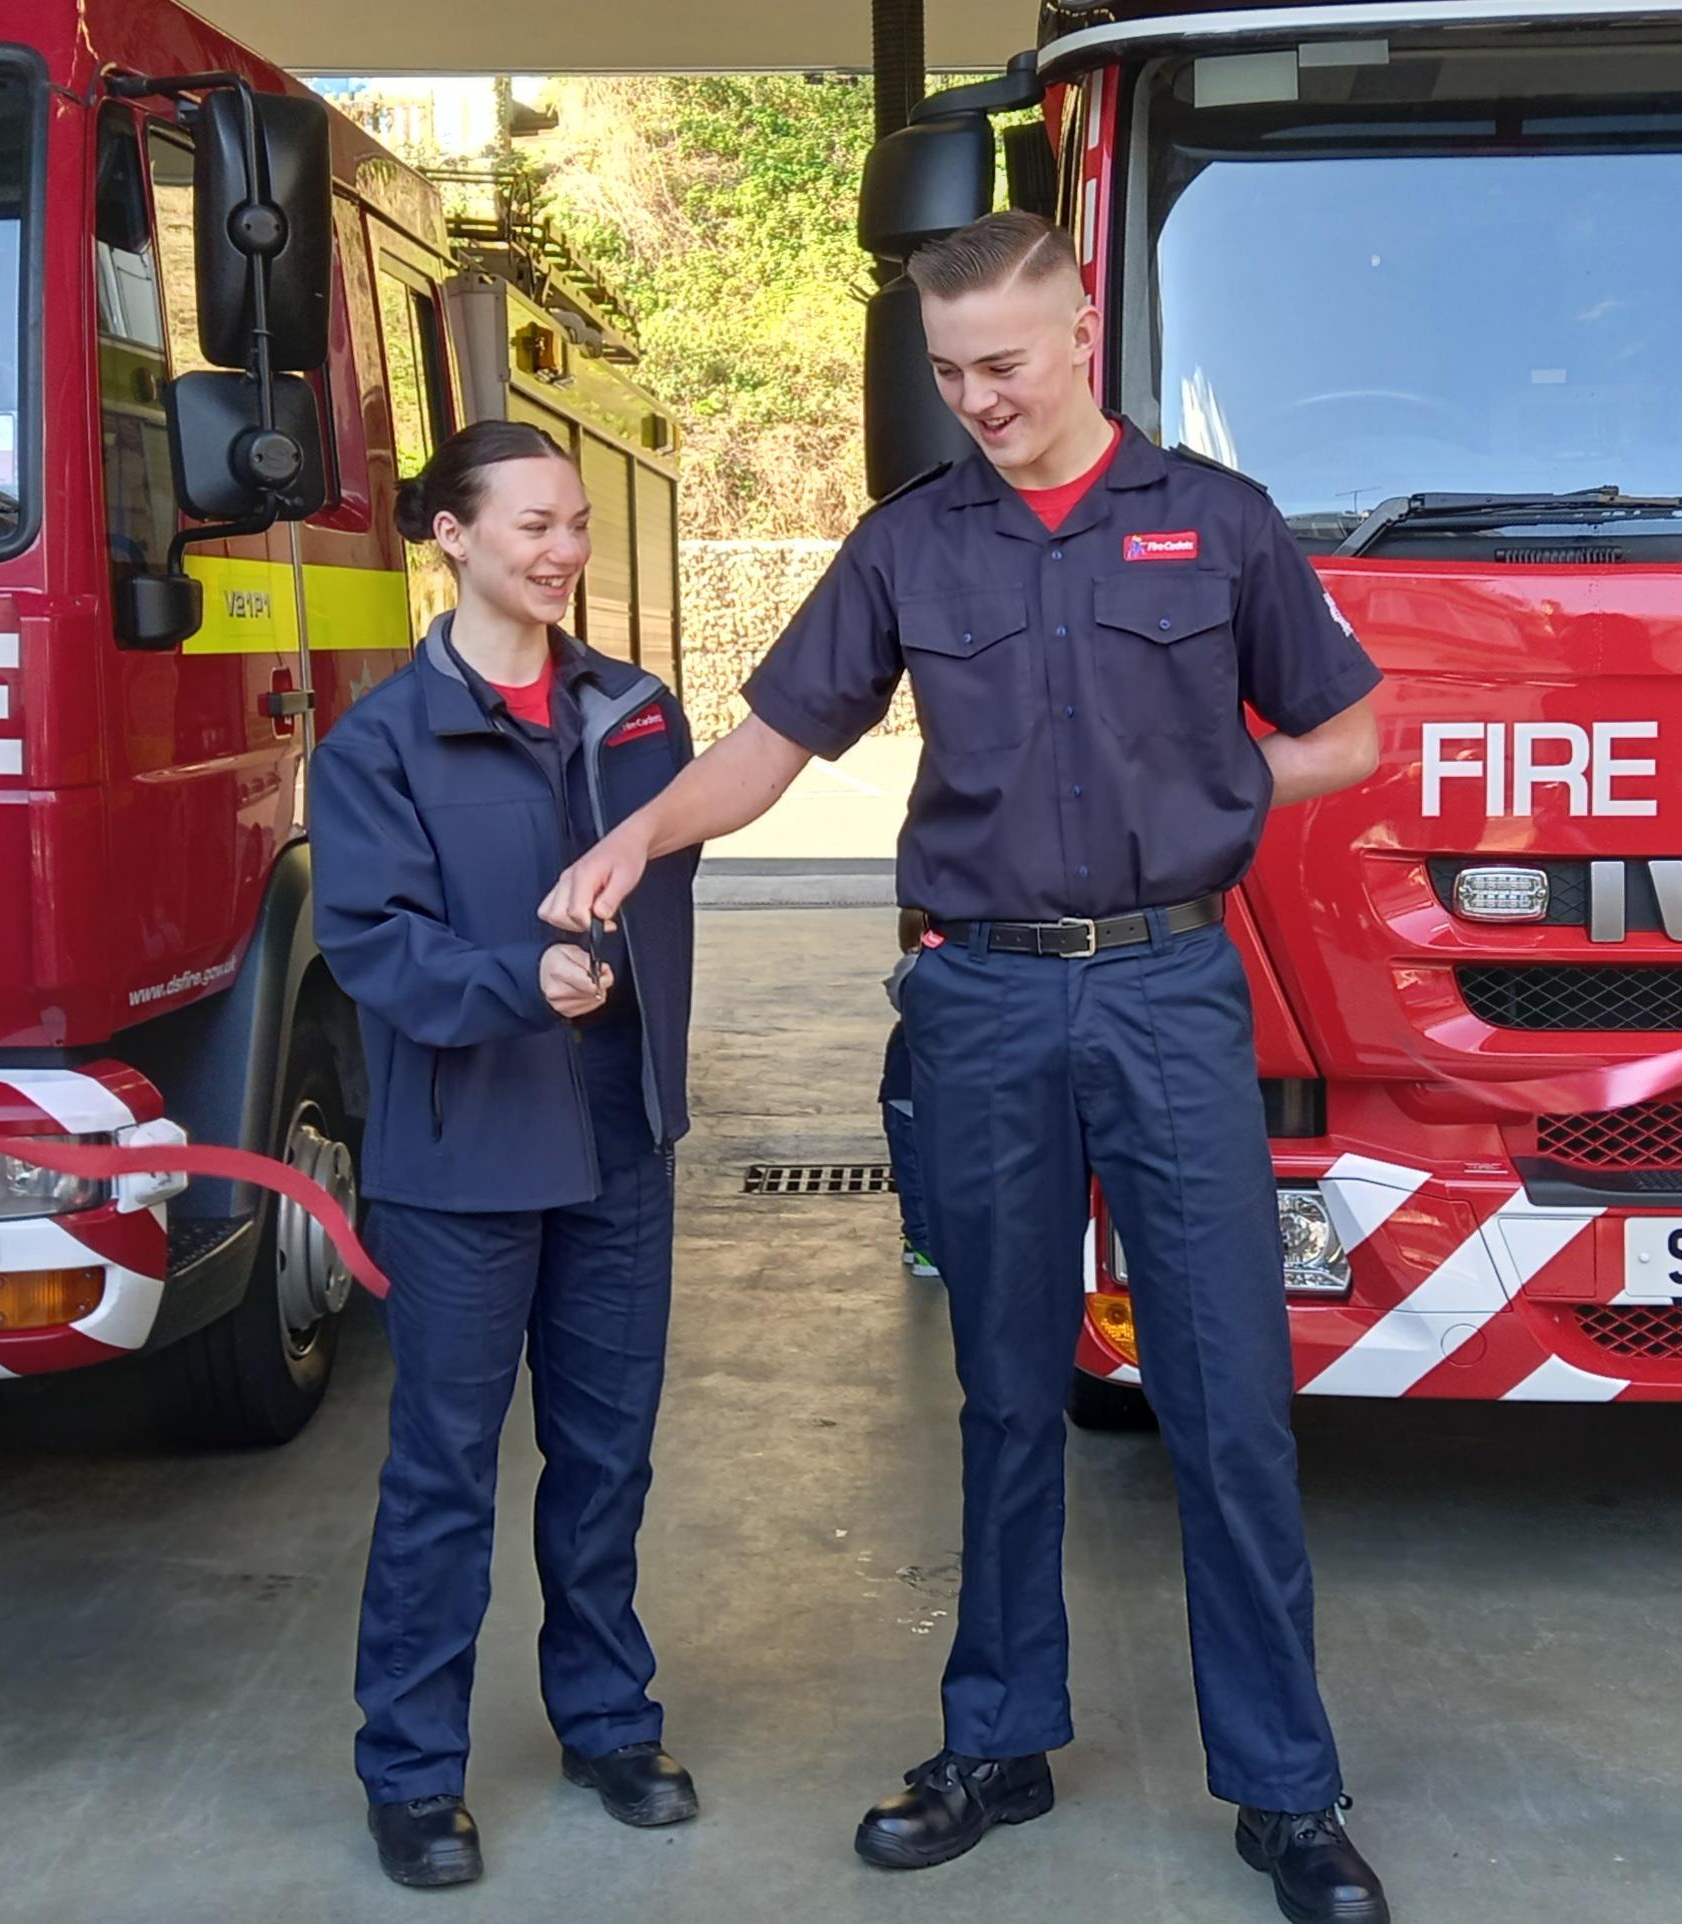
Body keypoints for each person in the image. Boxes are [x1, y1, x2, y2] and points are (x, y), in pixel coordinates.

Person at [542, 211, 1391, 1921]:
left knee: (1223, 1400)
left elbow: (1346, 730)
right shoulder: (908, 544)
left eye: (999, 364)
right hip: (981, 1003)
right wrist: (640, 833)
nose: (975, 399)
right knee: (1003, 1386)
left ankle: (1285, 1790)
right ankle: (996, 1736)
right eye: (946, 374)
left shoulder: (1211, 526)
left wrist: (1210, 804)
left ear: (1078, 331)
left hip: (1165, 992)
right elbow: (777, 741)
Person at [310, 420, 702, 1891]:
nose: (561, 550)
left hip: (616, 1144)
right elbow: (372, 945)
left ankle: (607, 1718)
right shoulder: (380, 744)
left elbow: (672, 873)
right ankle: (410, 1770)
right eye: (531, 524)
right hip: (463, 1157)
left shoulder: (635, 711)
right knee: (444, 1469)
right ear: (452, 538)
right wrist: (513, 984)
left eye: (577, 524)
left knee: (605, 1458)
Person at [880, 905, 937, 1279]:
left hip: (911, 1094)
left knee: (918, 1174)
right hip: (912, 1095)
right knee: (920, 1174)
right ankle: (926, 1246)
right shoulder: (918, 973)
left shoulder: (916, 970)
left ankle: (920, 1238)